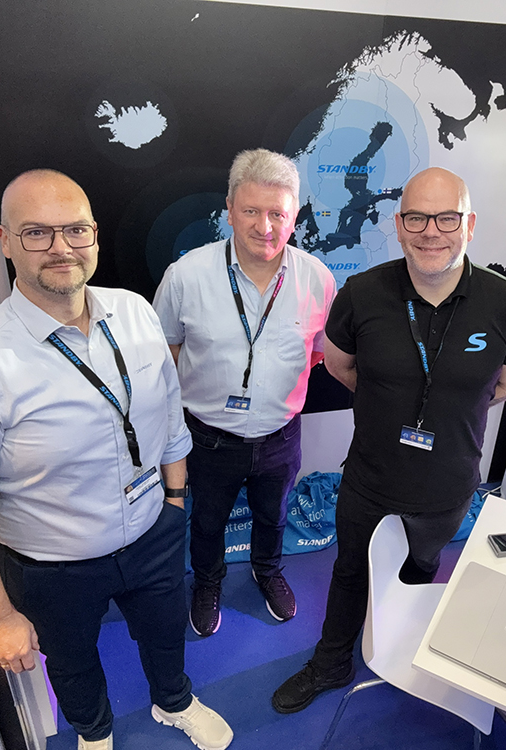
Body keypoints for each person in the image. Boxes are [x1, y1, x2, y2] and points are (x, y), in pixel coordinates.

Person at [0, 170, 233, 750]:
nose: (62, 248)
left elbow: (166, 413)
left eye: (76, 230)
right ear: (5, 241)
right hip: (50, 567)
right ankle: (93, 732)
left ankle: (174, 701)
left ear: (93, 234)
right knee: (70, 661)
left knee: (165, 635)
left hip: (152, 531)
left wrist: (175, 499)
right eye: (38, 233)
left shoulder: (134, 311)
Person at [272, 167, 506, 713]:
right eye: (417, 217)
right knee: (350, 570)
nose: (431, 231)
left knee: (418, 572)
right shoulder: (362, 293)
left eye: (447, 218)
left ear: (469, 226)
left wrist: (450, 405)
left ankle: (396, 649)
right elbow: (342, 367)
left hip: (448, 482)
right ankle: (330, 662)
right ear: (398, 224)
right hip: (369, 476)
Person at [152, 149, 335, 638]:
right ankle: (207, 582)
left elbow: (318, 352)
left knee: (274, 516)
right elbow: (164, 353)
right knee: (207, 522)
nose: (265, 227)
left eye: (278, 213)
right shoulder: (186, 275)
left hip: (281, 435)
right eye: (251, 211)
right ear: (229, 209)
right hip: (207, 437)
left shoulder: (318, 279)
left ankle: (267, 570)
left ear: (294, 216)